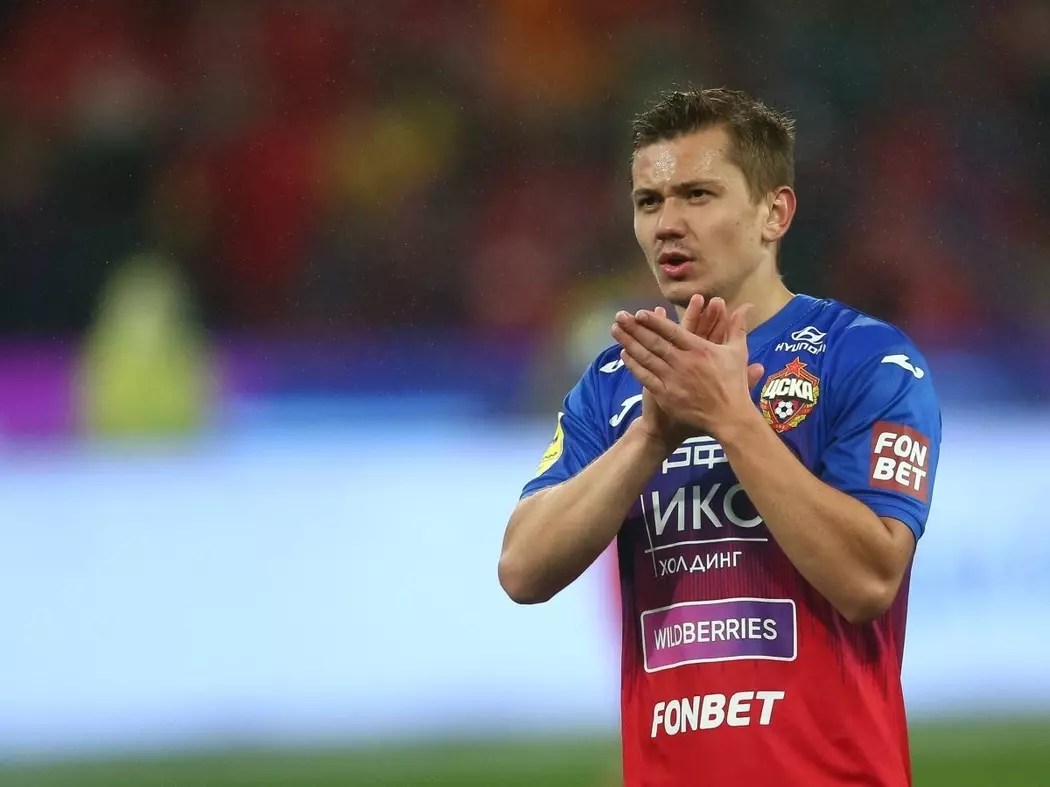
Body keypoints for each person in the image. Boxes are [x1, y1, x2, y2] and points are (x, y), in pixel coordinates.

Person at [498, 87, 942, 786]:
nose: (667, 224)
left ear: (775, 213)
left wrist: (731, 418)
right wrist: (652, 435)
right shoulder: (616, 383)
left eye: (698, 195)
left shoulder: (866, 360)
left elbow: (867, 580)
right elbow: (522, 570)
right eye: (649, 202)